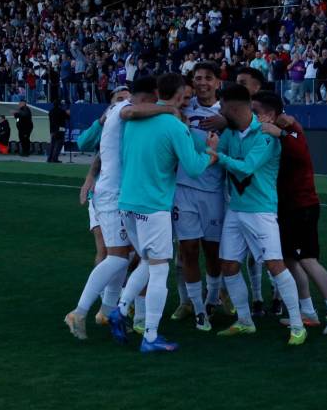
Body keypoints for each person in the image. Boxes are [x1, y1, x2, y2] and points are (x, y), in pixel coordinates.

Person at [107, 74, 218, 352]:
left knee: (147, 261)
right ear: (180, 95)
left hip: (128, 203)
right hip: (153, 206)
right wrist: (212, 153)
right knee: (159, 270)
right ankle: (151, 336)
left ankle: (120, 308)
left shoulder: (136, 119)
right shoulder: (174, 125)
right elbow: (193, 167)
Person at [209, 84, 306, 345]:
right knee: (228, 265)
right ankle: (244, 320)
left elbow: (247, 168)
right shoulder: (230, 132)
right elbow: (224, 156)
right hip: (236, 210)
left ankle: (297, 325)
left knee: (275, 265)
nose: (219, 110)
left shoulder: (265, 136)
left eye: (222, 106)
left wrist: (217, 156)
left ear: (233, 107)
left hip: (261, 212)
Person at [256, 91, 327, 335]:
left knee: (308, 258)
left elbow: (300, 153)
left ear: (268, 114)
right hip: (286, 206)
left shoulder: (291, 127)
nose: (252, 117)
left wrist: (282, 133)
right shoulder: (278, 128)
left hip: (302, 205)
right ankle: (307, 311)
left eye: (256, 112)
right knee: (289, 259)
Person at [63, 81, 135, 341]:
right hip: (104, 195)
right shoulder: (109, 121)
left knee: (122, 253)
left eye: (128, 98)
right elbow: (85, 144)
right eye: (119, 98)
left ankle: (107, 308)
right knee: (107, 250)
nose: (124, 102)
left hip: (120, 193)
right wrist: (103, 120)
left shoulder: (129, 124)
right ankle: (97, 306)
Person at [171, 62, 231, 324]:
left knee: (213, 252)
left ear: (218, 82)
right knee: (188, 250)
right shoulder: (184, 105)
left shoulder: (227, 111)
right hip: (183, 188)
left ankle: (211, 300)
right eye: (198, 78)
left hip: (215, 190)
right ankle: (194, 307)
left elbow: (253, 123)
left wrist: (226, 121)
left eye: (208, 78)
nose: (203, 82)